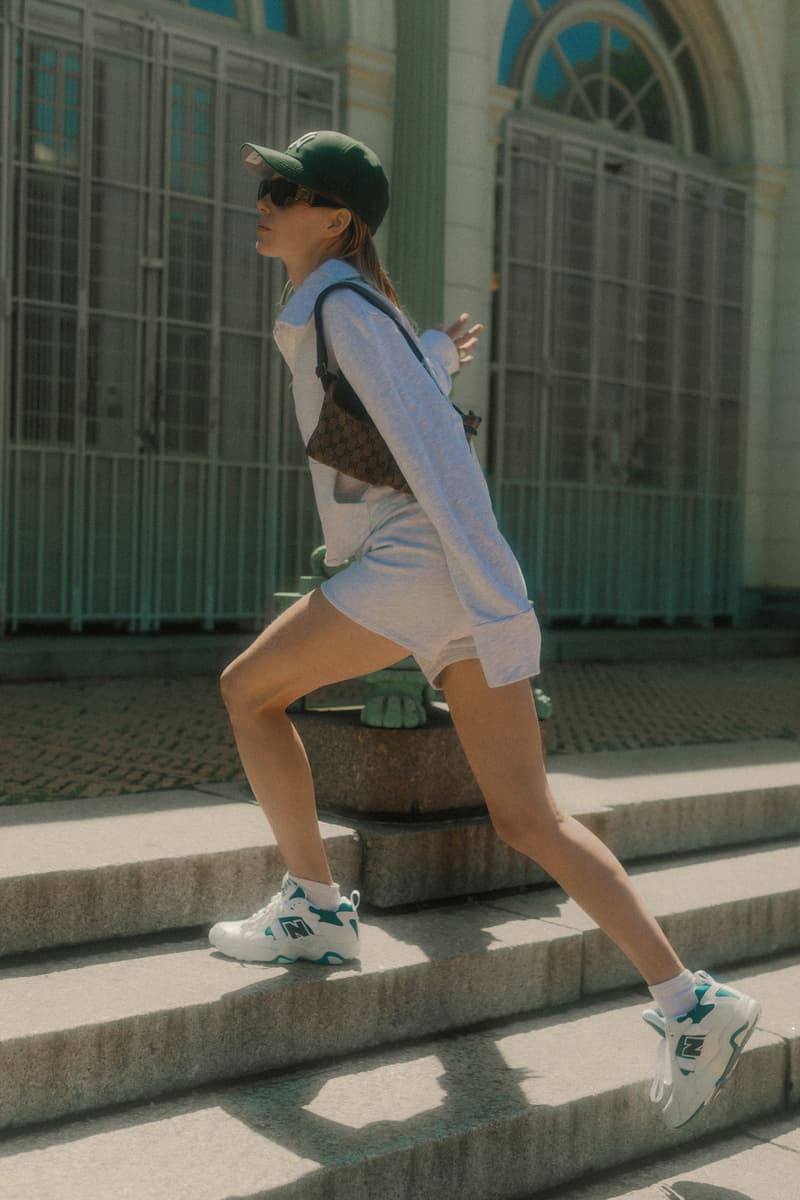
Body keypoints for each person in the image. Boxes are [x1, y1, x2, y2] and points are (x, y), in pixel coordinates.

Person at [208, 130, 760, 1129]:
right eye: (268, 187)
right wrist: (430, 355)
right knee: (528, 817)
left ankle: (315, 906)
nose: (264, 200)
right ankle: (693, 1004)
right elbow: (408, 405)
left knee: (247, 691)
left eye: (284, 190)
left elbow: (430, 450)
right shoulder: (355, 308)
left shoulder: (337, 303)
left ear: (334, 218)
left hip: (419, 565)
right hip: (448, 580)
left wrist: (491, 590)